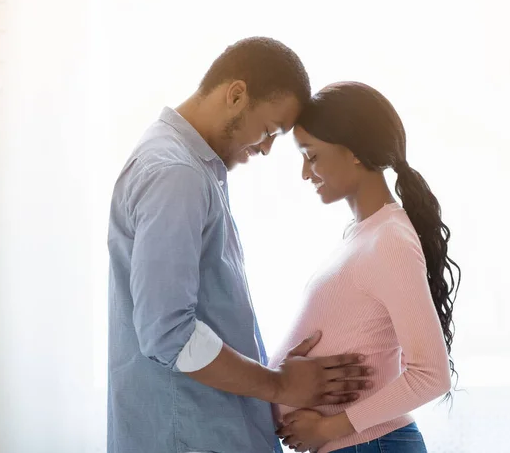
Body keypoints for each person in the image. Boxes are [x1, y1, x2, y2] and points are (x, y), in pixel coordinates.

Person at [107, 39, 371, 453]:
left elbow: (205, 316)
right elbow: (169, 334)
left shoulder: (194, 167)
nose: (265, 149)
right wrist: (280, 385)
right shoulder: (176, 175)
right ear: (235, 95)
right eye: (268, 131)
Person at [272, 81, 461, 453]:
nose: (305, 174)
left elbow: (431, 375)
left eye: (312, 156)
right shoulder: (365, 235)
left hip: (370, 445)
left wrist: (330, 428)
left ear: (354, 152)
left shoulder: (389, 239)